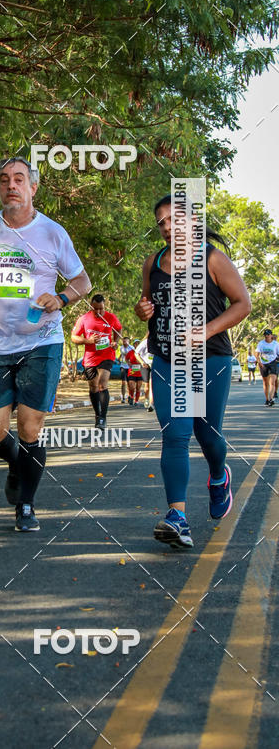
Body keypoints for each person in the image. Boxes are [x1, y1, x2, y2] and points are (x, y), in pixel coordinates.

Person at [0, 157, 91, 532]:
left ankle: (26, 506)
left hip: (42, 341)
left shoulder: (52, 232)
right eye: (4, 180)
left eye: (19, 179)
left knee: (30, 428)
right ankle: (18, 462)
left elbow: (82, 281)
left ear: (33, 188)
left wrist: (63, 298)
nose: (11, 186)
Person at [135, 194, 251, 549]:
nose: (168, 228)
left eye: (175, 220)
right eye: (162, 223)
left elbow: (243, 304)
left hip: (211, 359)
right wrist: (142, 310)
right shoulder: (152, 263)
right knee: (175, 433)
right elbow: (147, 304)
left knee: (208, 435)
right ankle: (177, 517)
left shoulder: (213, 259)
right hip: (168, 360)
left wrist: (207, 329)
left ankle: (219, 476)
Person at [71, 294, 121, 430]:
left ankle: (103, 418)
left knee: (102, 384)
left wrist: (115, 342)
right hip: (90, 357)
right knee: (93, 386)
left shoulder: (111, 317)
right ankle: (98, 415)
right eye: (95, 309)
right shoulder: (84, 319)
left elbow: (118, 329)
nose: (98, 312)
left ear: (104, 306)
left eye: (101, 309)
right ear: (91, 306)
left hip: (107, 355)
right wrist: (88, 341)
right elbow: (74, 337)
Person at [254, 329, 279, 407]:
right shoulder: (261, 343)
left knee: (272, 382)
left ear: (271, 335)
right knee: (265, 383)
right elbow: (257, 354)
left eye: (268, 334)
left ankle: (271, 399)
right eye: (265, 334)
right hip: (263, 364)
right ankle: (267, 399)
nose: (266, 336)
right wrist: (259, 362)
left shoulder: (276, 344)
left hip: (273, 363)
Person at [135, 336, 154, 410]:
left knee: (152, 383)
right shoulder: (144, 342)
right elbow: (136, 353)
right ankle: (146, 399)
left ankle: (151, 404)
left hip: (153, 365)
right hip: (145, 365)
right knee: (147, 386)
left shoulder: (158, 342)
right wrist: (142, 362)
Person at [125, 340, 143, 406]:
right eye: (136, 343)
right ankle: (131, 397)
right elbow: (126, 358)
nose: (137, 345)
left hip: (140, 372)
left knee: (138, 387)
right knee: (132, 387)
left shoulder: (142, 352)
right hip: (132, 372)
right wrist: (128, 363)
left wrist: (142, 362)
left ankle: (136, 401)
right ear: (134, 345)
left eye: (138, 343)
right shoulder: (131, 352)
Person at [118, 336, 131, 402]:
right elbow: (122, 354)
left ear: (129, 342)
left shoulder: (132, 348)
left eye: (126, 341)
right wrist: (118, 359)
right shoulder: (121, 348)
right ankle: (123, 397)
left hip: (129, 367)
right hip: (123, 366)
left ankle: (130, 396)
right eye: (123, 341)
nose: (125, 342)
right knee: (123, 382)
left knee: (129, 383)